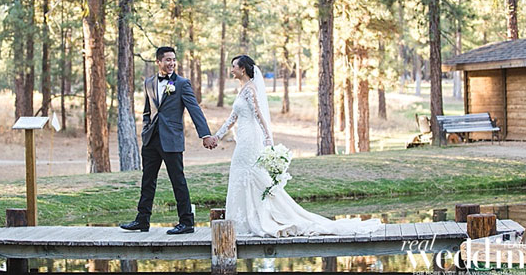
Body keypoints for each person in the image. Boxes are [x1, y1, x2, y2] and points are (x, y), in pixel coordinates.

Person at [211, 55, 383, 237]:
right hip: (243, 138)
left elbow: (259, 115)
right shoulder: (243, 89)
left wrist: (268, 138)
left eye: (234, 66)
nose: (231, 70)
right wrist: (217, 136)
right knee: (242, 173)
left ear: (242, 69)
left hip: (250, 140)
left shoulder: (250, 89)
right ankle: (242, 221)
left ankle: (258, 219)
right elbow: (232, 118)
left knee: (250, 174)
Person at [120, 46, 217, 235]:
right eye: (167, 60)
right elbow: (147, 110)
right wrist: (146, 128)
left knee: (178, 180)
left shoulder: (181, 84)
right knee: (147, 180)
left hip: (171, 139)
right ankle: (142, 220)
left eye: (173, 59)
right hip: (151, 139)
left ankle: (186, 222)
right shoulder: (149, 82)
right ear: (158, 62)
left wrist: (205, 135)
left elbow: (194, 109)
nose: (171, 63)